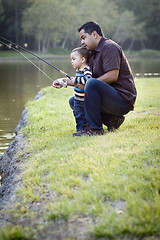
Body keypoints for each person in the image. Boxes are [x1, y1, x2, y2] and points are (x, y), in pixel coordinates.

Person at [53, 21, 137, 136]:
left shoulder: (110, 47)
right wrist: (65, 82)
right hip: (108, 98)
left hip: (122, 101)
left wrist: (88, 84)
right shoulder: (92, 53)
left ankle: (95, 129)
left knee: (91, 83)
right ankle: (112, 120)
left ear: (94, 34)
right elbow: (85, 80)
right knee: (75, 101)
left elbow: (112, 76)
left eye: (84, 38)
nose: (82, 42)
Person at [70, 47, 92, 132]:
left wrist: (75, 80)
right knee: (78, 115)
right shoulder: (78, 70)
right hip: (77, 99)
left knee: (86, 115)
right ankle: (80, 130)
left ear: (82, 59)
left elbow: (88, 79)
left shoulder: (86, 69)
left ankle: (86, 129)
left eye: (74, 59)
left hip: (85, 100)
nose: (72, 61)